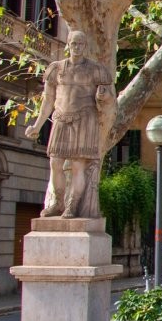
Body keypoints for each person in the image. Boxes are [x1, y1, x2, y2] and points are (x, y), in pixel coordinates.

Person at [25, 31, 114, 219]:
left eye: (81, 43)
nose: (77, 46)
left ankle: (72, 206)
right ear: (68, 44)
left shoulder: (96, 70)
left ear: (85, 46)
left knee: (77, 166)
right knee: (55, 163)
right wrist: (37, 125)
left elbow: (108, 98)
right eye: (74, 43)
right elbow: (48, 100)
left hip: (84, 119)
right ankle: (58, 202)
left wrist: (103, 96)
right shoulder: (55, 69)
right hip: (61, 118)